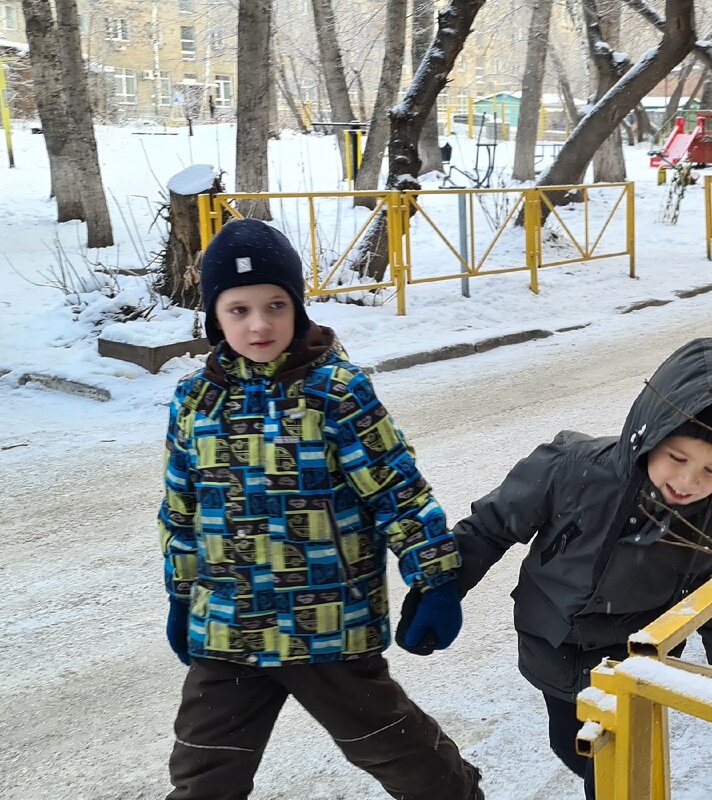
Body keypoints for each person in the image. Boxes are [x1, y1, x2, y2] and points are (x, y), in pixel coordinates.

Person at [409, 338, 712, 798]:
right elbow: (490, 526)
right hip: (551, 642)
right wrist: (441, 587)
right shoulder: (571, 469)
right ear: (652, 433)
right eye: (678, 458)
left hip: (631, 664)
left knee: (615, 776)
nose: (688, 481)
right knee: (569, 746)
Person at [158, 219, 483, 800]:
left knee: (403, 758)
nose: (259, 324)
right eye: (239, 310)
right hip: (228, 627)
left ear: (298, 308)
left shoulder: (335, 392)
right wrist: (181, 595)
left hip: (328, 627)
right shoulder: (194, 401)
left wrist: (434, 579)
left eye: (275, 305)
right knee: (202, 775)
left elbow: (397, 491)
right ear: (215, 318)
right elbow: (181, 510)